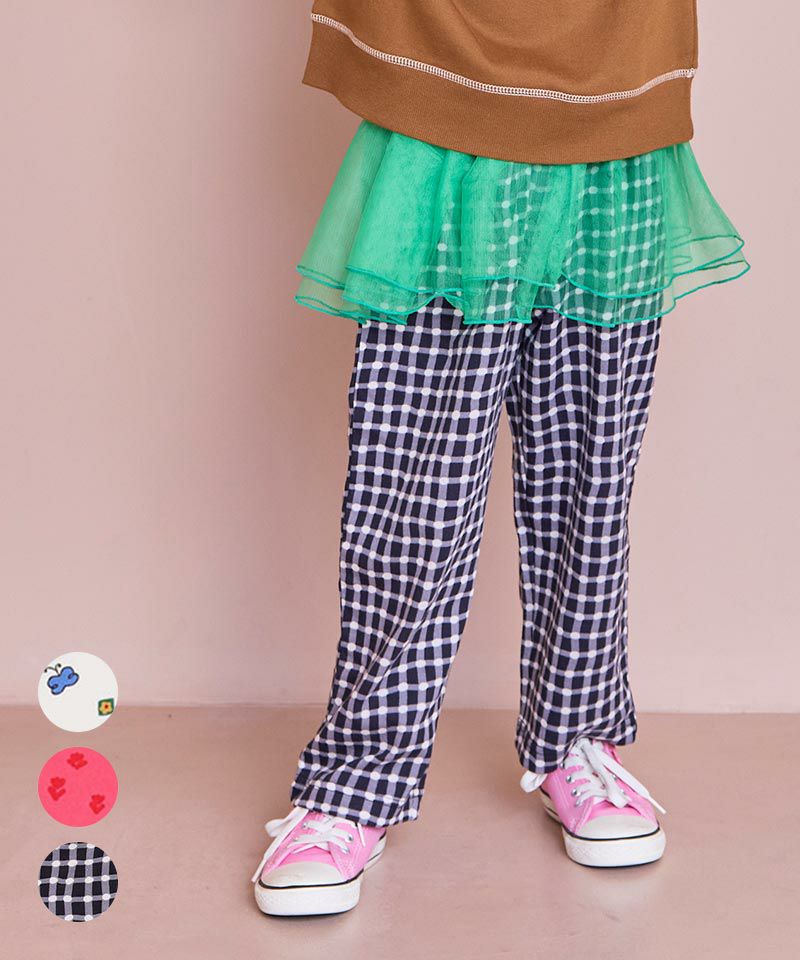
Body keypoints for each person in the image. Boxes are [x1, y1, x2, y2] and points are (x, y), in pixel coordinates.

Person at [252, 1, 749, 917]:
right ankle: (357, 779)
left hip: (615, 84)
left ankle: (578, 736)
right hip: (443, 70)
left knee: (590, 470)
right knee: (414, 483)